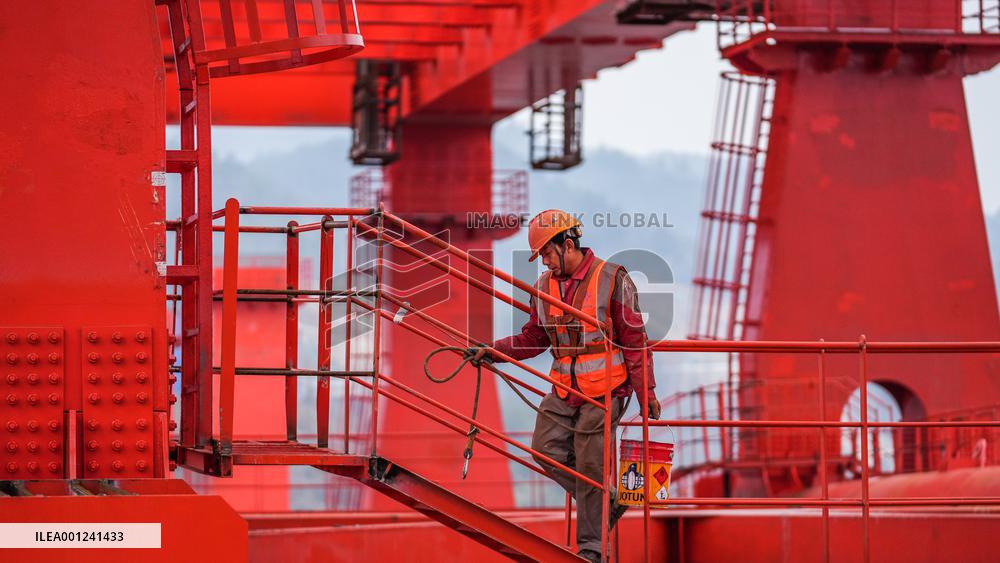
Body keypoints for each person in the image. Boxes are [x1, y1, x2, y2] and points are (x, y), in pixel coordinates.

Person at [469, 209, 661, 562]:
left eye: (546, 252)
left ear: (567, 244)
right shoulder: (544, 287)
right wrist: (493, 351)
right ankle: (607, 502)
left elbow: (635, 340)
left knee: (590, 467)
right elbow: (534, 338)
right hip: (564, 390)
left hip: (607, 389)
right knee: (544, 450)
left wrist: (645, 392)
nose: (544, 262)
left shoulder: (612, 279)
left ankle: (591, 548)